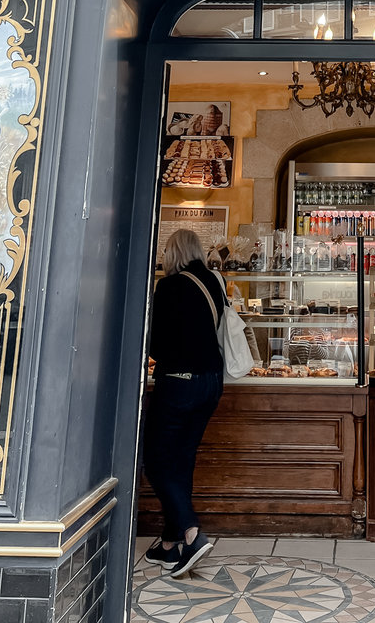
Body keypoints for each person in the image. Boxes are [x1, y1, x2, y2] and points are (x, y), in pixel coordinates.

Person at [144, 228, 226, 577]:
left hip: (179, 383)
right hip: (211, 382)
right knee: (182, 457)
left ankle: (191, 533)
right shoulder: (214, 281)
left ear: (172, 252)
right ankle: (168, 543)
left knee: (157, 460)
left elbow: (157, 345)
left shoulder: (170, 287)